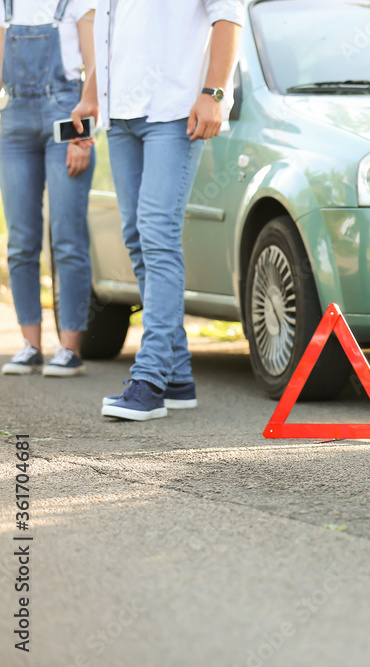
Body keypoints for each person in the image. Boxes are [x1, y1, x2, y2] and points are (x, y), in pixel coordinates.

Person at [78, 0, 243, 421]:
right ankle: (177, 376)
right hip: (120, 116)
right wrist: (90, 97)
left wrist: (214, 93)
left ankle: (149, 380)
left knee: (157, 235)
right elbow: (108, 35)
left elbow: (228, 15)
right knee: (136, 236)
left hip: (171, 111)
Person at [0, 0, 97, 377]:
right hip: (13, 122)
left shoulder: (76, 2)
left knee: (67, 236)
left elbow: (94, 70)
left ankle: (69, 349)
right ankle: (29, 345)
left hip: (66, 117)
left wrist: (82, 138)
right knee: (21, 239)